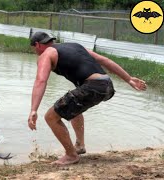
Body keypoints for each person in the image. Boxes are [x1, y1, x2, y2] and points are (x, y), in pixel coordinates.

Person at [27, 31, 147, 166]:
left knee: (51, 117)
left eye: (33, 49)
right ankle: (79, 145)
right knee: (73, 107)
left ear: (37, 45)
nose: (35, 52)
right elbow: (104, 60)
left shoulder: (46, 54)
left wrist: (33, 109)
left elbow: (41, 81)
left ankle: (71, 155)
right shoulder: (75, 46)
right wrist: (129, 79)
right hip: (107, 86)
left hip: (93, 87)